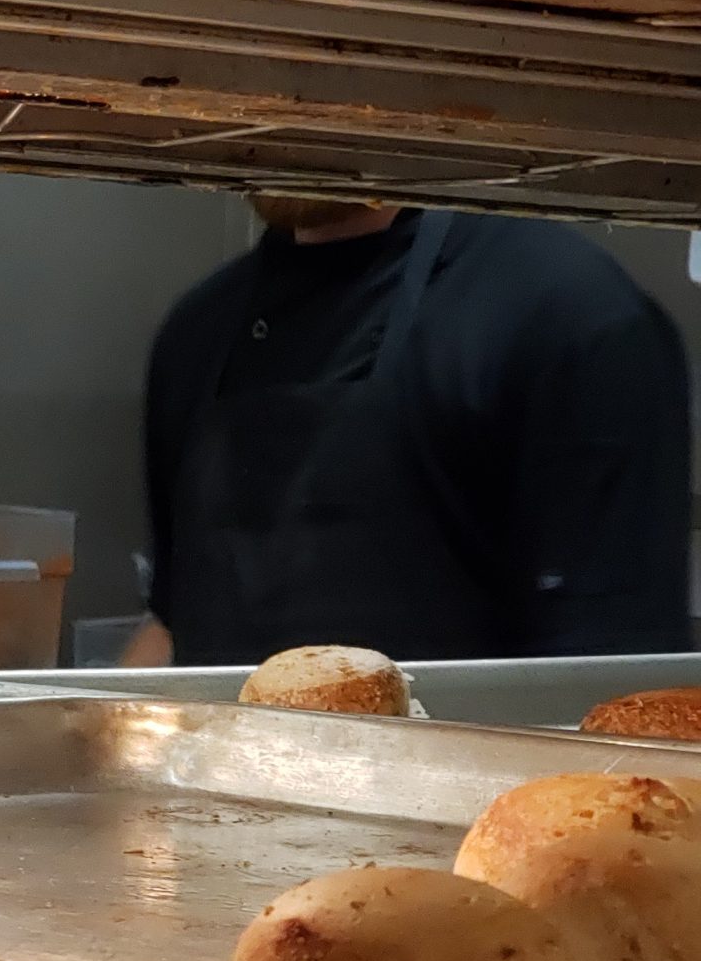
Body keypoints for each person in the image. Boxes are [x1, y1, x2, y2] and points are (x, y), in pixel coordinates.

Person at [122, 195, 691, 668]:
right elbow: (170, 632)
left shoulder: (570, 316)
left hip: (472, 798)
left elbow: (613, 691)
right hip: (217, 799)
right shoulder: (196, 331)